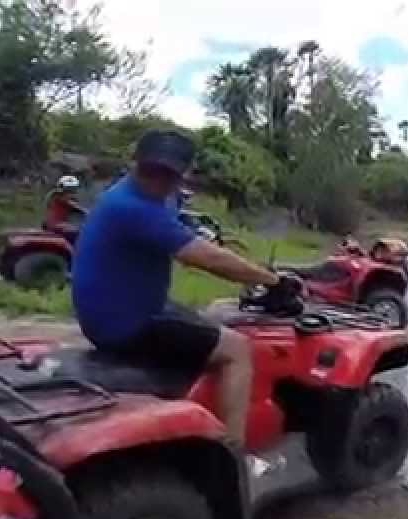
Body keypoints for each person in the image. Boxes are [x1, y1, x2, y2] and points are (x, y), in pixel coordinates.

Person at [71, 129, 293, 467]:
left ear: (182, 174)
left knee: (214, 315)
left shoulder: (155, 197)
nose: (157, 180)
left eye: (168, 174)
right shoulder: (131, 207)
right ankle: (234, 456)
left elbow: (184, 224)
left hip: (123, 305)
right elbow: (207, 258)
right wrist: (271, 280)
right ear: (136, 165)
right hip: (124, 323)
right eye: (151, 170)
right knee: (237, 349)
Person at [44, 175, 87, 243]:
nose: (73, 192)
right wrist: (88, 212)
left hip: (53, 224)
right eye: (72, 189)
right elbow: (75, 206)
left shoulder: (54, 197)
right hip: (57, 225)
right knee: (81, 233)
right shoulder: (60, 197)